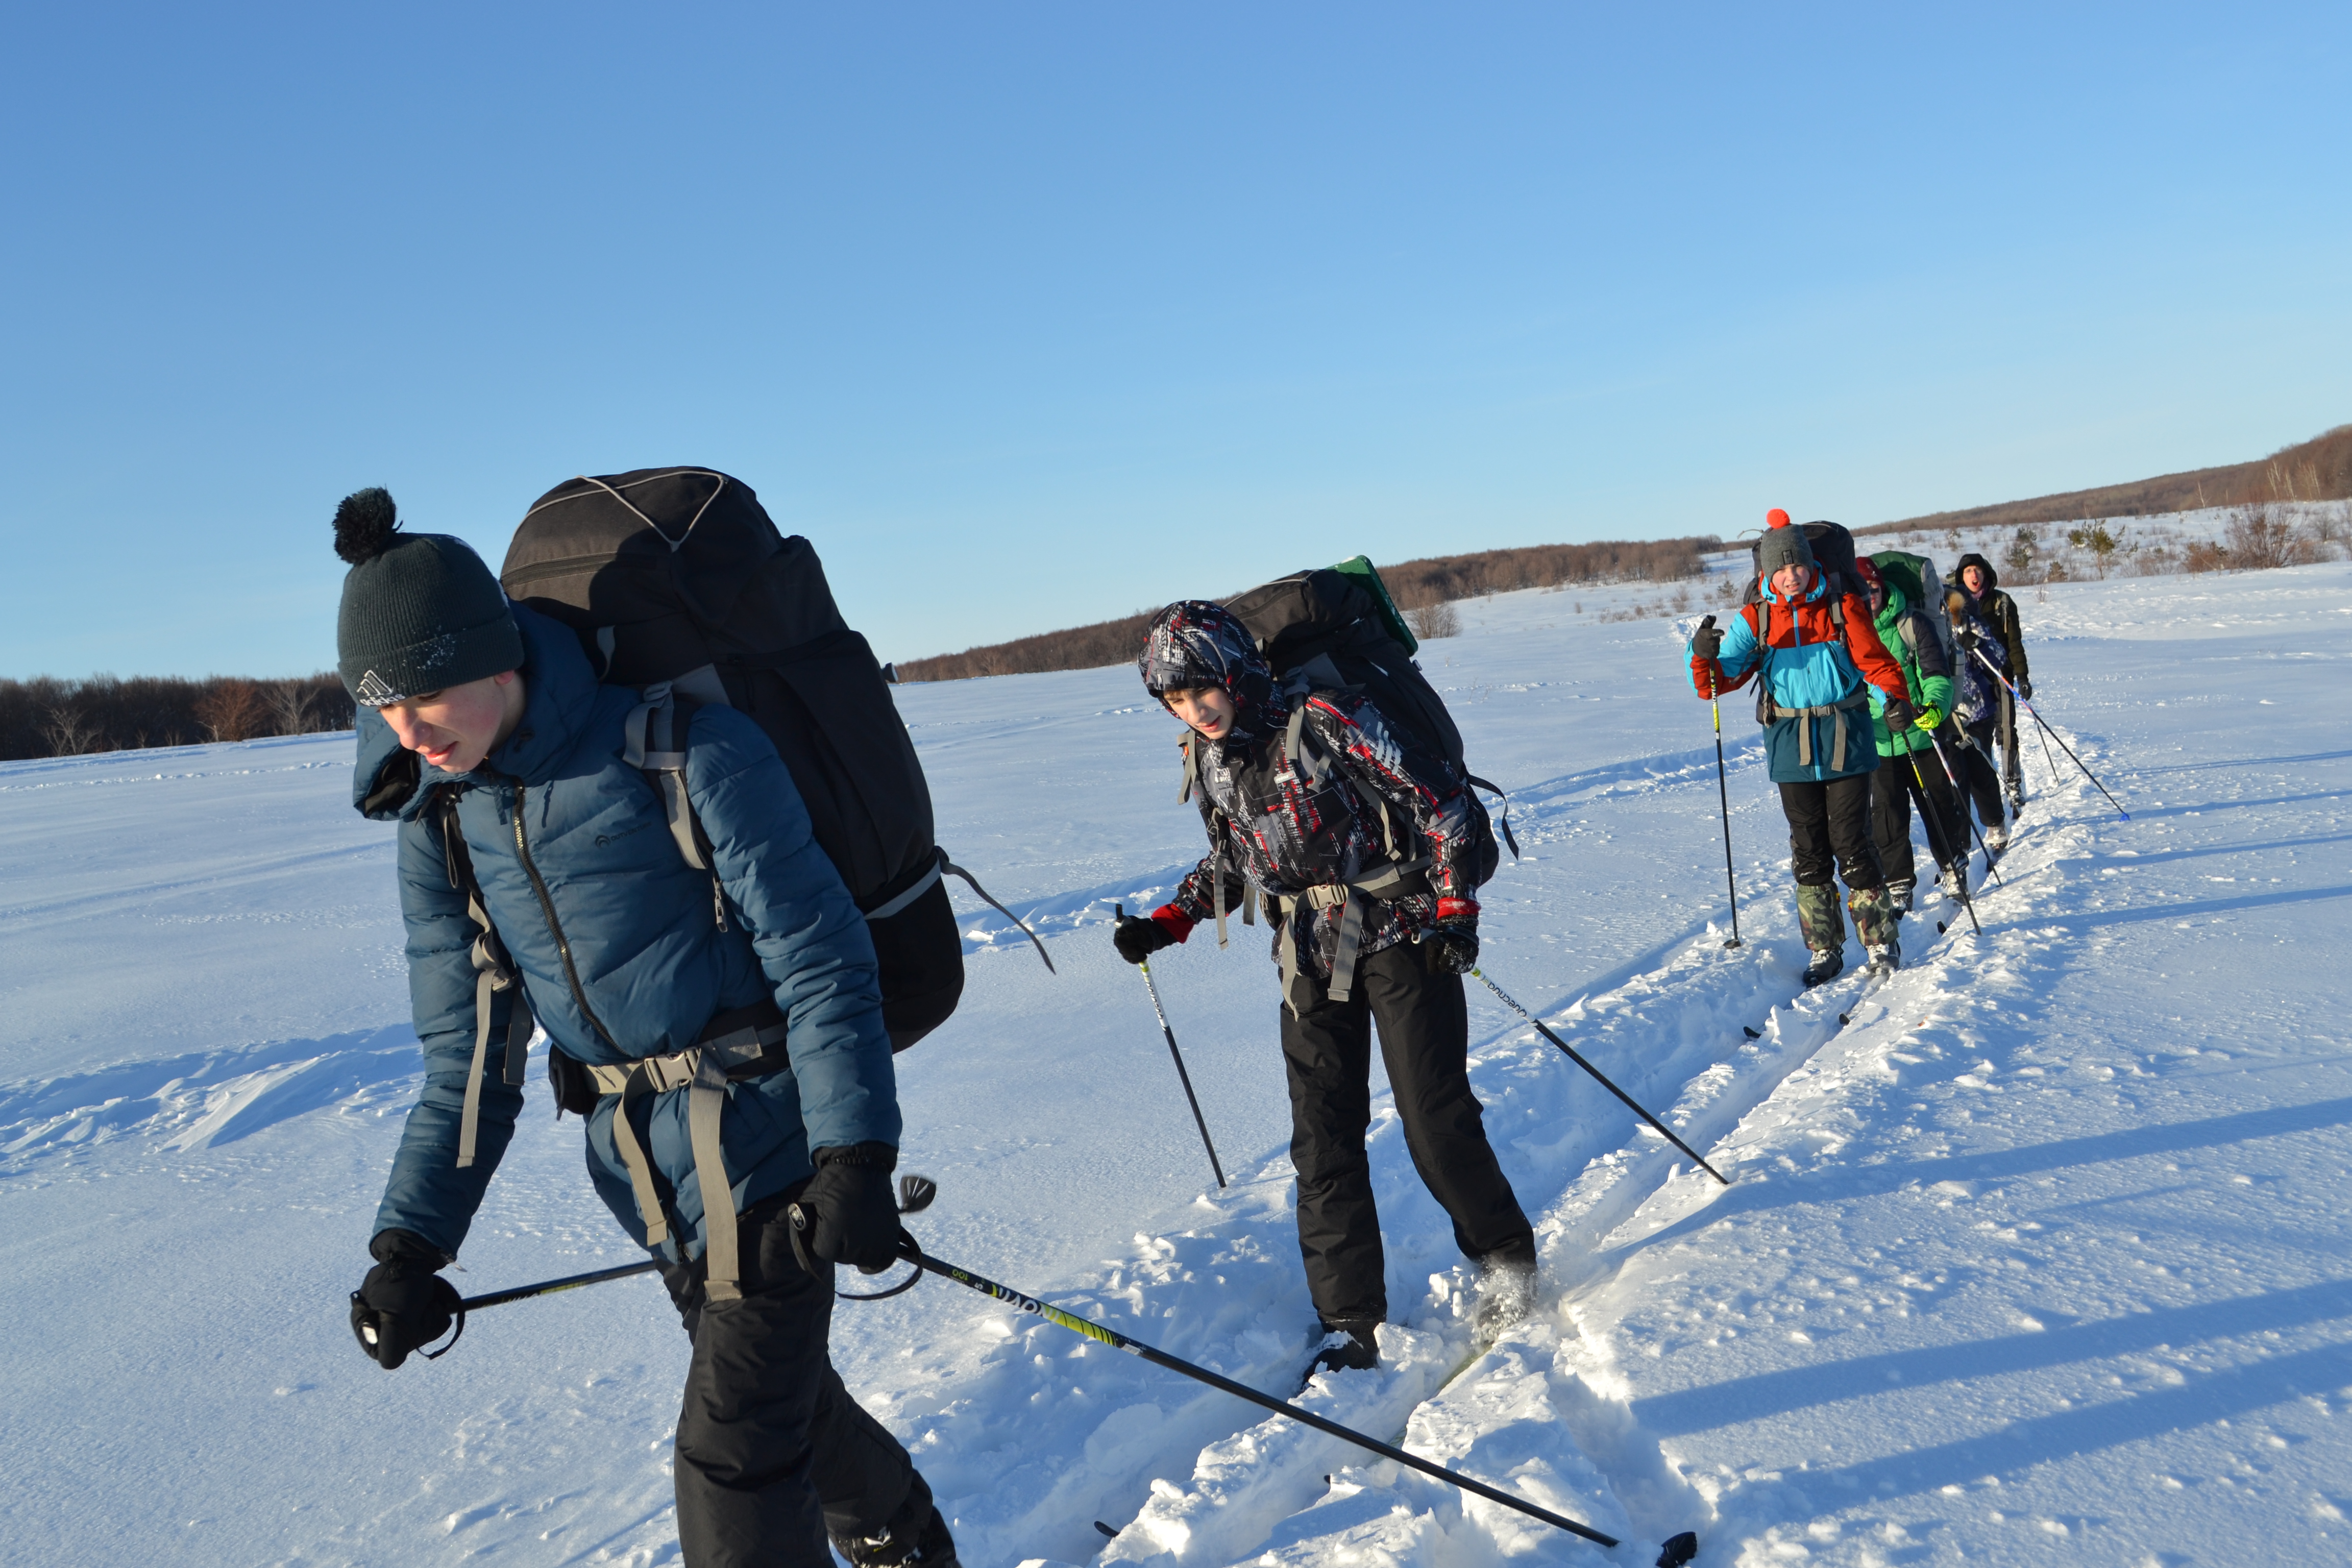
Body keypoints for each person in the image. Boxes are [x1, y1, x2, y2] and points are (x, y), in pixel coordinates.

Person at [331, 489, 956, 1568]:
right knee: (787, 1414)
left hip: (775, 1143)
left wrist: (854, 1154)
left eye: (424, 699)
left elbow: (821, 960)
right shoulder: (442, 830)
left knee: (731, 1458)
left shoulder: (691, 752)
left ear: (496, 660)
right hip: (645, 1177)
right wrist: (411, 1245)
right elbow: (469, 1065)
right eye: (381, 711)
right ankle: (904, 1539)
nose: (408, 735)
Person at [1111, 601, 1537, 1379]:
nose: (1192, 709)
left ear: (1234, 671)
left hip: (1403, 936)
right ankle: (1349, 1321)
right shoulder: (1209, 757)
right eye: (1173, 699)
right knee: (1322, 1142)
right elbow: (1235, 858)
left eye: (1200, 688)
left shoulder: (1329, 717)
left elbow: (1439, 807)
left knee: (1433, 1120)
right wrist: (1167, 922)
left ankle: (1506, 1260)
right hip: (1306, 957)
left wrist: (1454, 912)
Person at [1687, 513, 1913, 986]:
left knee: (1851, 842)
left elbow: (1876, 661)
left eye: (1798, 566)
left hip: (1845, 736)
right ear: (1767, 574)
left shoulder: (1842, 607)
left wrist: (1895, 698)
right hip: (1790, 743)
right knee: (1808, 848)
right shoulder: (1757, 618)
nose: (1791, 575)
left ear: (1812, 566)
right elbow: (1718, 683)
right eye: (1781, 569)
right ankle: (1824, 948)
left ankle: (1879, 939)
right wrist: (1703, 655)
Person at [1854, 558, 1967, 912]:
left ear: (1882, 588)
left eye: (1872, 589)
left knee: (1937, 804)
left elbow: (1935, 671)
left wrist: (1934, 706)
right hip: (1878, 742)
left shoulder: (1911, 623)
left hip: (1920, 733)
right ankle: (1898, 882)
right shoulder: (1849, 631)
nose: (1868, 596)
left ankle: (1953, 865)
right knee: (1887, 815)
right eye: (1861, 592)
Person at [1952, 552, 2032, 814]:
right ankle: (1989, 790)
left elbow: (2014, 643)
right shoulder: (1953, 606)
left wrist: (2022, 677)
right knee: (1977, 738)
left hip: (2001, 675)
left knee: (2007, 729)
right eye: (1967, 572)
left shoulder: (2002, 602)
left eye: (1977, 570)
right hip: (1973, 684)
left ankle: (2013, 782)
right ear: (1960, 577)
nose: (1973, 576)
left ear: (1986, 572)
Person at [1944, 571, 2014, 852]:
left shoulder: (1970, 623)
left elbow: (2000, 656)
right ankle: (1960, 841)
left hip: (1977, 712)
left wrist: (1978, 643)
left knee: (1980, 770)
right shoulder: (1928, 627)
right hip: (1946, 714)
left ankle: (1995, 822)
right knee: (1954, 779)